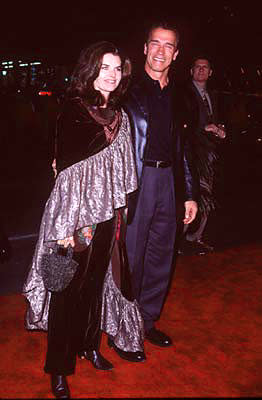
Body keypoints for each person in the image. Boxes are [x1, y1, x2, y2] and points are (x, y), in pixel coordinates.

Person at [23, 41, 145, 399]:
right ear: (90, 71)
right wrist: (63, 227)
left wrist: (120, 213)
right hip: (77, 220)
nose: (111, 74)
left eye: (117, 67)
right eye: (103, 67)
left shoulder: (121, 115)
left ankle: (90, 344)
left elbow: (123, 171)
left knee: (95, 283)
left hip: (107, 216)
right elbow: (62, 171)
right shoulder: (73, 111)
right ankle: (58, 368)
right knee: (66, 290)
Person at [120, 21, 198, 350]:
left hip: (169, 181)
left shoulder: (182, 96)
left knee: (161, 256)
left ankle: (147, 320)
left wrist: (190, 194)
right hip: (137, 181)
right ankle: (123, 327)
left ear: (176, 54)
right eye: (155, 43)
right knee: (131, 258)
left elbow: (185, 148)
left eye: (168, 46)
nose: (160, 51)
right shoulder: (126, 91)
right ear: (144, 48)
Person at [178, 56, 226, 256]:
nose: (201, 70)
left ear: (210, 72)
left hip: (209, 154)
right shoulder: (183, 94)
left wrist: (221, 129)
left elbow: (216, 119)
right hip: (191, 153)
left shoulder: (212, 95)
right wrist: (203, 127)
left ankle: (195, 238)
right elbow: (181, 123)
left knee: (206, 196)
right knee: (190, 195)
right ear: (191, 71)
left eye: (205, 67)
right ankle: (178, 240)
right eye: (197, 67)